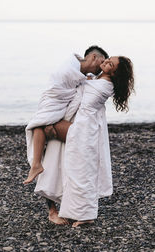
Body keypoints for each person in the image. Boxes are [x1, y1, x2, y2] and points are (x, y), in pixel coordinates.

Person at [34, 56, 134, 226]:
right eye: (109, 59)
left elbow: (81, 88)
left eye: (110, 63)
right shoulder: (98, 80)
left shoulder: (103, 85)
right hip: (82, 127)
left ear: (115, 73)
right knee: (80, 173)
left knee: (42, 125)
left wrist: (80, 74)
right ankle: (81, 212)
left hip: (82, 130)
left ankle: (35, 162)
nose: (106, 61)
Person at [24, 46, 109, 184]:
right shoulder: (68, 70)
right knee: (38, 125)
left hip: (65, 119)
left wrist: (51, 123)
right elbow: (56, 94)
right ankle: (36, 165)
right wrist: (49, 121)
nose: (102, 67)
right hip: (53, 102)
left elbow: (80, 90)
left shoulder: (86, 76)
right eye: (103, 61)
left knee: (41, 128)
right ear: (94, 57)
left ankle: (37, 166)